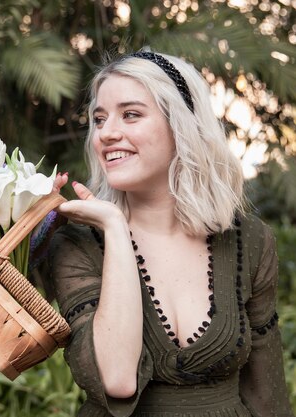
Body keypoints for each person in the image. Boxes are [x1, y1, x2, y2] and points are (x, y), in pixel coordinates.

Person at [48, 51, 294, 416]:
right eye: (99, 119)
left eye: (130, 114)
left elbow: (266, 393)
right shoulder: (77, 243)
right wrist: (115, 228)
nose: (107, 133)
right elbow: (117, 379)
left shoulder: (249, 239)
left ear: (181, 125)